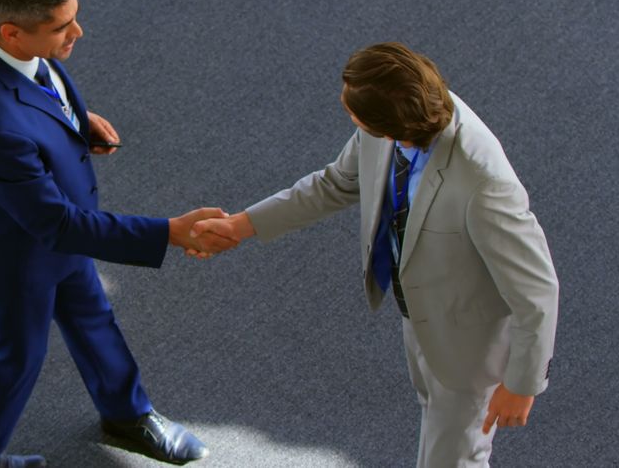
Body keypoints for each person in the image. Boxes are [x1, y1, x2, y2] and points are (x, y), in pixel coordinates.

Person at [193, 42, 559, 467]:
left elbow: (537, 289)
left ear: (387, 126)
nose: (349, 116)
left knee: (456, 458)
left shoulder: (484, 184)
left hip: (469, 345)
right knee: (437, 426)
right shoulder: (398, 118)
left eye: (354, 114)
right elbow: (335, 184)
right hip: (423, 316)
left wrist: (522, 383)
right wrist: (241, 225)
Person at [0, 0, 231, 468]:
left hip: (48, 235)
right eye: (61, 28)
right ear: (11, 33)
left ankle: (127, 414)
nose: (79, 33)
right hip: (13, 260)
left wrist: (70, 121)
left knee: (94, 316)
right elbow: (59, 224)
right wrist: (171, 233)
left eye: (74, 16)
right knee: (14, 363)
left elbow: (31, 96)